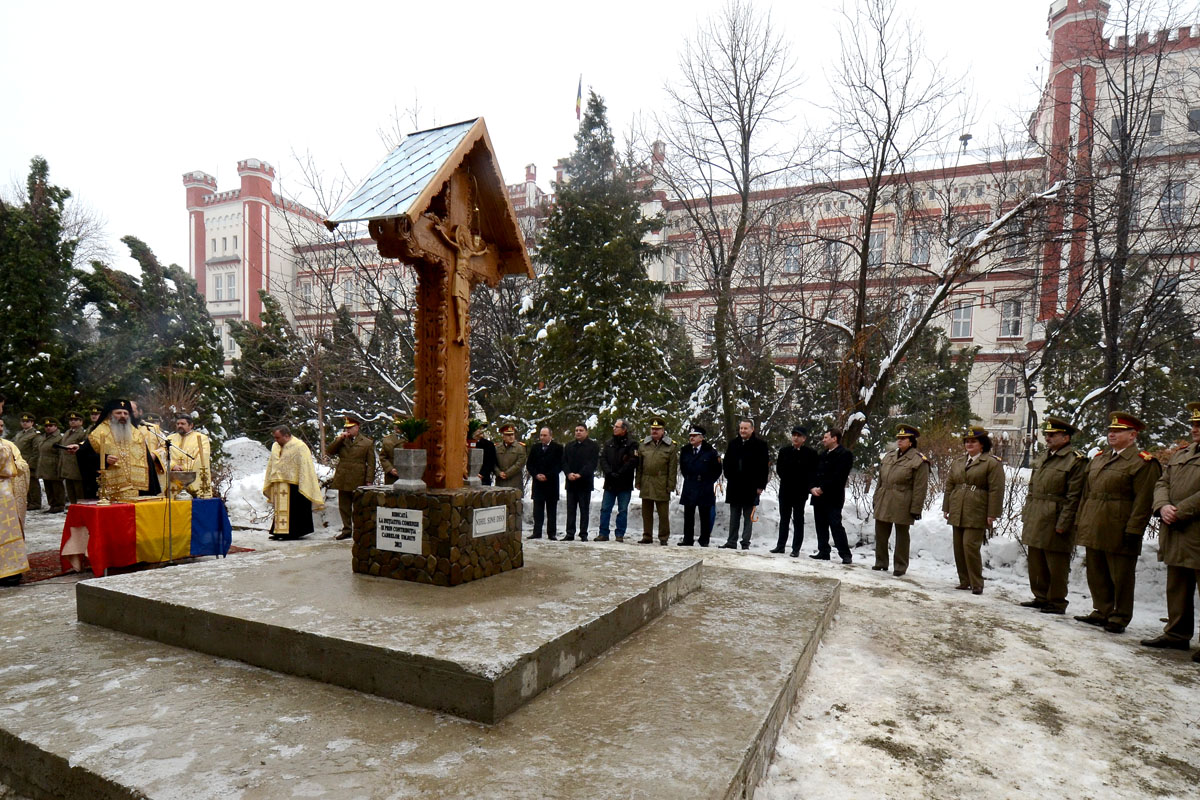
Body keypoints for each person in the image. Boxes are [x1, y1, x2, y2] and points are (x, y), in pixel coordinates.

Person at [1074, 412, 1160, 633]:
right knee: (1096, 570)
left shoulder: (1142, 462)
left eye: (1119, 431)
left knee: (1120, 575)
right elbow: (1087, 493)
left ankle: (1120, 616)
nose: (1112, 434)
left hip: (1120, 525)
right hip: (1095, 521)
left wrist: (1134, 529)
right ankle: (1101, 610)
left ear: (1132, 435)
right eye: (1111, 430)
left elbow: (1144, 500)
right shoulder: (1100, 458)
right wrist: (1081, 520)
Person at [1144, 402, 1200, 660]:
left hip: (1194, 528)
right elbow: (1162, 482)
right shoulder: (1182, 454)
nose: (1195, 429)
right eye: (1193, 424)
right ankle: (1177, 634)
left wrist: (1180, 510)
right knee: (1177, 585)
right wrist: (1163, 505)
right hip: (1177, 531)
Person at [1018, 416, 1087, 614]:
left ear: (1065, 437)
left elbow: (1074, 496)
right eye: (1046, 434)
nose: (1047, 438)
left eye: (1052, 435)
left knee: (1056, 562)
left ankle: (1056, 601)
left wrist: (1064, 522)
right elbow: (1032, 488)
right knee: (1036, 558)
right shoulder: (1044, 456)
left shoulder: (1075, 460)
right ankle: (1040, 596)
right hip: (1037, 513)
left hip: (1056, 514)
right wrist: (1027, 513)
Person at [942, 426, 1005, 594]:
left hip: (977, 508)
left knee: (970, 546)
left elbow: (996, 489)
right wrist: (946, 507)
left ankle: (977, 582)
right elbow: (950, 485)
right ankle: (964, 581)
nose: (969, 444)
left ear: (982, 444)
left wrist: (993, 513)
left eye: (973, 441)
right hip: (958, 507)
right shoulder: (958, 462)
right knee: (958, 547)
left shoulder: (991, 463)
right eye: (967, 441)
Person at [871, 425, 930, 575]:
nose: (900, 441)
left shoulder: (918, 460)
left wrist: (916, 508)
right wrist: (876, 497)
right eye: (899, 438)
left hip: (903, 500)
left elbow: (920, 488)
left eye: (903, 439)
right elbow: (880, 480)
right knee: (881, 533)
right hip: (885, 498)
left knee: (902, 535)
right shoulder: (889, 456)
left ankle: (900, 566)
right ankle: (881, 561)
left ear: (911, 441)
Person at [87, 400, 162, 501]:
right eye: (118, 413)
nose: (123, 416)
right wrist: (104, 459)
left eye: (125, 413)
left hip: (138, 489)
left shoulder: (136, 433)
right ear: (110, 414)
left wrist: (152, 489)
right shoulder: (98, 433)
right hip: (110, 490)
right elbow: (85, 456)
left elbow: (147, 461)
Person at [263, 425, 324, 540]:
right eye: (275, 438)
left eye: (278, 438)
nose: (276, 440)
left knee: (294, 510)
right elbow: (272, 463)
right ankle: (279, 531)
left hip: (295, 483)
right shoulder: (275, 446)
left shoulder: (300, 446)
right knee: (280, 509)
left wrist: (302, 481)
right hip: (279, 482)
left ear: (286, 436)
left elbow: (305, 466)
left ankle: (293, 532)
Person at [721, 419, 770, 550]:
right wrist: (729, 476)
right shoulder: (733, 444)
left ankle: (745, 542)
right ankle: (731, 541)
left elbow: (763, 468)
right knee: (734, 515)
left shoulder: (760, 445)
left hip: (751, 487)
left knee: (748, 516)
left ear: (752, 429)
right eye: (741, 428)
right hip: (735, 486)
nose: (742, 431)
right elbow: (727, 463)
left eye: (745, 428)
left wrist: (760, 486)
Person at [326, 416, 376, 541]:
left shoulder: (367, 442)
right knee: (344, 506)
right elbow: (330, 451)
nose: (348, 430)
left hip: (359, 477)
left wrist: (369, 479)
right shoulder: (342, 440)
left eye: (350, 428)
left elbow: (371, 463)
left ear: (357, 428)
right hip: (343, 476)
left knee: (359, 506)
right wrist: (339, 439)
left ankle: (360, 529)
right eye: (346, 428)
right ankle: (347, 529)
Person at [810, 428, 855, 564]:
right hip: (818, 496)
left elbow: (839, 476)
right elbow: (814, 472)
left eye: (826, 437)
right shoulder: (822, 454)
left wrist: (823, 488)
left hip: (833, 497)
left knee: (835, 525)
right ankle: (823, 551)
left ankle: (845, 554)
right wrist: (812, 488)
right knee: (820, 525)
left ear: (834, 438)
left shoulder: (845, 454)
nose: (823, 440)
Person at [773, 426, 818, 557]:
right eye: (794, 435)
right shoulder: (784, 451)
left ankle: (796, 548)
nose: (795, 438)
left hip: (800, 491)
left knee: (798, 519)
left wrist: (806, 485)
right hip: (786, 489)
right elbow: (780, 469)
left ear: (804, 438)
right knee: (784, 518)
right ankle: (780, 545)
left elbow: (812, 472)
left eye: (799, 436)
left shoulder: (810, 453)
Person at [678, 424, 722, 547]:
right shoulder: (685, 450)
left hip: (704, 486)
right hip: (690, 485)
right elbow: (683, 467)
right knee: (688, 514)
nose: (691, 438)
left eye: (695, 436)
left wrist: (708, 481)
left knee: (705, 514)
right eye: (690, 436)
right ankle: (688, 539)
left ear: (701, 438)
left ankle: (704, 539)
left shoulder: (710, 451)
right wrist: (689, 478)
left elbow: (717, 470)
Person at [636, 417, 678, 545]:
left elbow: (672, 468)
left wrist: (671, 485)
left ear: (663, 430)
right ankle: (647, 536)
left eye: (657, 429)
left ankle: (663, 537)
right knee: (646, 513)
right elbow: (639, 466)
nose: (654, 431)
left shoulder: (670, 446)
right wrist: (638, 481)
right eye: (653, 429)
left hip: (661, 482)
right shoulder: (643, 444)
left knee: (663, 513)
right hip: (646, 481)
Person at [0, 418, 30, 586]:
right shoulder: (3, 447)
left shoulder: (9, 444)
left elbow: (21, 464)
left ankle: (10, 571)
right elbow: (7, 468)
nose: (0, 428)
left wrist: (15, 465)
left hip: (5, 497)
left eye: (2, 425)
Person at [598, 419, 639, 542]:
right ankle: (603, 533)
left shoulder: (632, 444)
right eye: (614, 426)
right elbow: (603, 459)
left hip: (624, 482)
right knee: (605, 508)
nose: (614, 429)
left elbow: (633, 461)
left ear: (624, 429)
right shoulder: (608, 443)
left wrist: (620, 472)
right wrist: (608, 472)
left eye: (617, 427)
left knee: (622, 510)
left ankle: (620, 534)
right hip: (610, 482)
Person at [562, 423, 600, 541]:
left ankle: (583, 533)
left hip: (584, 483)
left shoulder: (593, 446)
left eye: (581, 430)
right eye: (576, 430)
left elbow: (592, 463)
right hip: (571, 483)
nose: (578, 432)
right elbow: (564, 462)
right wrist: (568, 473)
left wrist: (580, 474)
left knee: (584, 510)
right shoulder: (569, 446)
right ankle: (570, 533)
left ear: (586, 432)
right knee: (571, 510)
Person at [526, 427, 563, 540]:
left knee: (551, 510)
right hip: (538, 483)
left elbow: (559, 465)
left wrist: (547, 475)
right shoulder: (535, 448)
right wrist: (536, 475)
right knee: (537, 510)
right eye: (541, 435)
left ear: (550, 436)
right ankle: (537, 532)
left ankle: (551, 533)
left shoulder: (558, 448)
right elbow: (530, 464)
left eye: (545, 435)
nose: (542, 437)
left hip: (551, 483)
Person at [166, 415, 213, 498]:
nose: (179, 425)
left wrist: (184, 467)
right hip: (173, 477)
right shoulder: (169, 439)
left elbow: (202, 458)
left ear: (191, 425)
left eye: (183, 423)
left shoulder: (202, 438)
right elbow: (163, 454)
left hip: (192, 477)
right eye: (178, 424)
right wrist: (173, 465)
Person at [35, 418, 66, 513]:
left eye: (51, 426)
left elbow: (62, 454)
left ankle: (59, 505)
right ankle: (52, 504)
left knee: (56, 487)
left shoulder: (59, 438)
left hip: (54, 465)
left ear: (56, 426)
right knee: (48, 486)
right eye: (46, 426)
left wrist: (60, 466)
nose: (48, 428)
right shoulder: (44, 437)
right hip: (44, 465)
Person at [12, 413, 42, 511]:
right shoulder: (20, 434)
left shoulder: (35, 434)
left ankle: (35, 502)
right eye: (23, 421)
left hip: (29, 462)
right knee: (24, 483)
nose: (25, 423)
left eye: (27, 421)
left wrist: (31, 464)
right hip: (19, 462)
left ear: (32, 423)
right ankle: (28, 501)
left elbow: (36, 451)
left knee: (33, 483)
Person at [60, 412, 87, 505]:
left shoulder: (82, 433)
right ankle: (73, 506)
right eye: (71, 420)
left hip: (76, 464)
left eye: (75, 420)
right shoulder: (68, 432)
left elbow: (84, 447)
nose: (72, 422)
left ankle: (81, 507)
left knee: (79, 489)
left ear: (81, 422)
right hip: (67, 464)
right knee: (70, 488)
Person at [494, 424, 527, 491]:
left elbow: (520, 463)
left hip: (515, 482)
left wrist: (507, 473)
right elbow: (493, 462)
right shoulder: (497, 448)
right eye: (508, 435)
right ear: (503, 436)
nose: (511, 437)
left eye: (512, 435)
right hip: (500, 482)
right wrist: (498, 472)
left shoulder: (520, 447)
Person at [471, 422, 498, 486]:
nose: (479, 431)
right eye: (478, 429)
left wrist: (482, 474)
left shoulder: (489, 445)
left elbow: (491, 461)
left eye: (481, 429)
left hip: (484, 478)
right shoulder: (466, 443)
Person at [379, 417, 403, 486]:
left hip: (406, 476)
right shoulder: (387, 440)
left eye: (400, 426)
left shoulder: (411, 439)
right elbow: (383, 457)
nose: (397, 428)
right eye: (396, 426)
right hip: (391, 477)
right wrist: (390, 469)